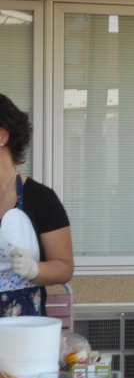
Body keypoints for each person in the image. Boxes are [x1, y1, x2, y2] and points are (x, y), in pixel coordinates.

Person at [0, 94, 74, 317]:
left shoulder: (41, 198)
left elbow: (64, 268)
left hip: (24, 333)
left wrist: (34, 269)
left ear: (2, 136)